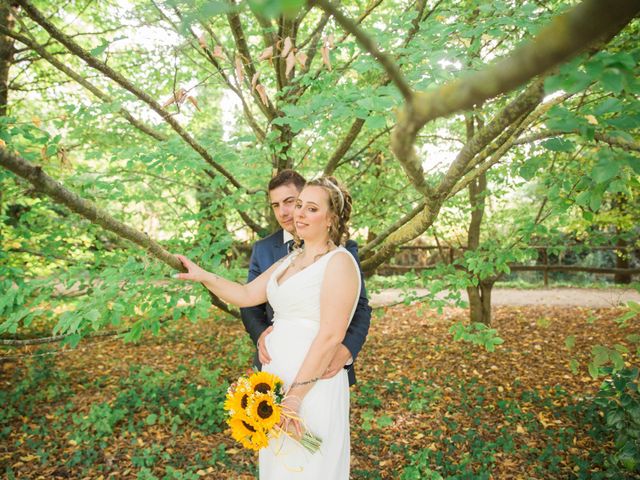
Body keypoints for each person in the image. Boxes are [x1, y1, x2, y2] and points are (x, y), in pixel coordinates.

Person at [174, 176, 363, 478]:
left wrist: (294, 398)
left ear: (331, 219)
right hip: (276, 378)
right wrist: (203, 276)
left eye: (311, 209)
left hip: (311, 385)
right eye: (299, 205)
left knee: (309, 467)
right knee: (281, 466)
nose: (298, 214)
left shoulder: (339, 262)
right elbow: (246, 294)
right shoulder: (291, 259)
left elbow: (330, 335)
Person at [241, 170, 371, 386]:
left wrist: (346, 349)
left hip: (326, 364)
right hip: (274, 362)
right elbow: (249, 304)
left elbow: (361, 306)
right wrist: (262, 335)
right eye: (275, 205)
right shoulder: (262, 249)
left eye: (290, 202)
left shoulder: (343, 250)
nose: (284, 212)